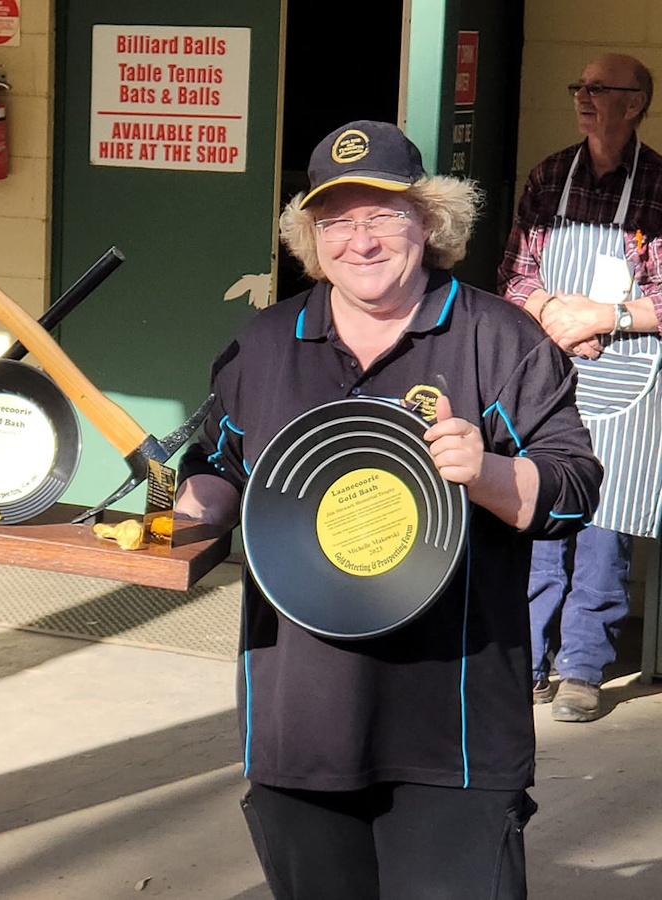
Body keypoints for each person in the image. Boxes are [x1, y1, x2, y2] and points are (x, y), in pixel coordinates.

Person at [175, 120, 602, 900]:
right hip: (299, 725)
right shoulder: (266, 346)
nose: (360, 242)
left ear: (430, 220)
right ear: (310, 237)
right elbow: (216, 471)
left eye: (383, 215)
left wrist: (489, 472)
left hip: (455, 733)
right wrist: (174, 515)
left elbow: (574, 487)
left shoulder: (500, 339)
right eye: (336, 221)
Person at [498, 53, 662, 723]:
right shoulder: (547, 177)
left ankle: (584, 668)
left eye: (600, 89)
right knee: (540, 513)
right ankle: (525, 662)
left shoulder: (658, 185)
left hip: (626, 380)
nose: (584, 97)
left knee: (602, 526)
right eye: (579, 86)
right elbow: (513, 274)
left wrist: (606, 317)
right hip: (553, 367)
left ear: (636, 104)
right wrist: (553, 315)